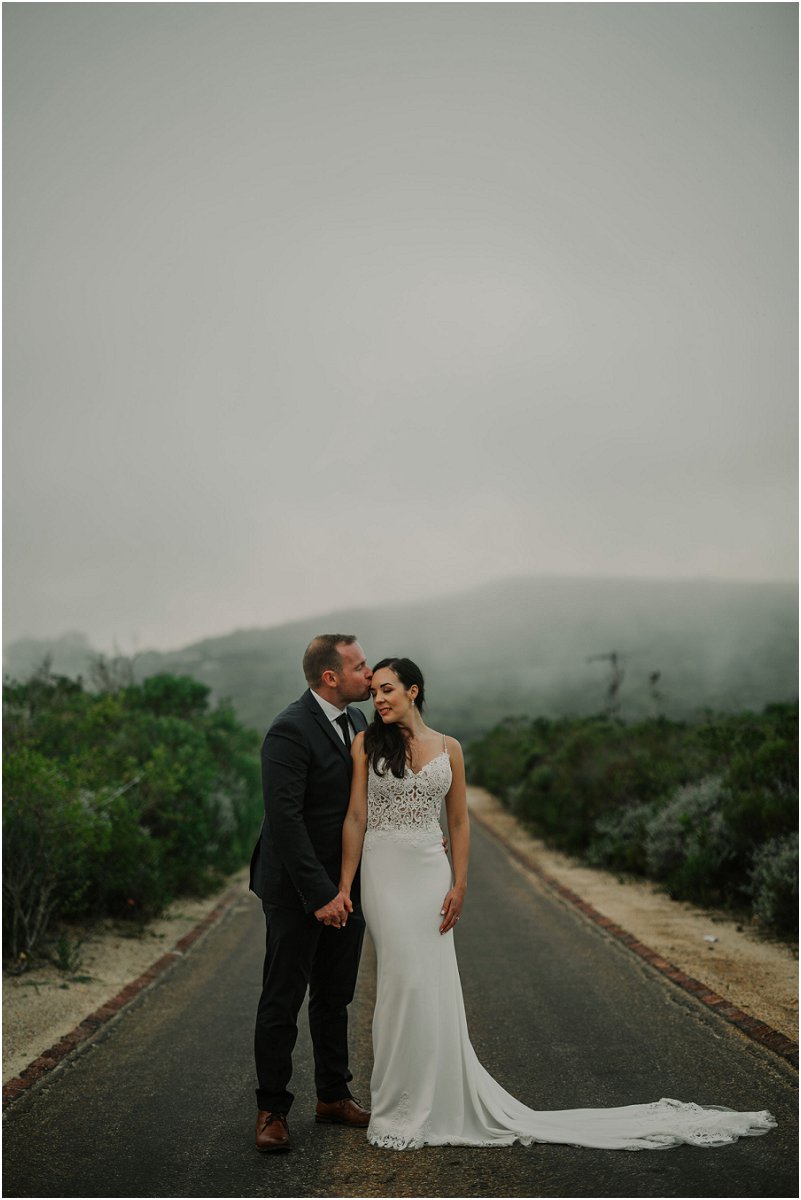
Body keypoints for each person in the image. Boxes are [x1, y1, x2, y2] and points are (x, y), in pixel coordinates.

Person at [338, 656, 777, 1151]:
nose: (378, 699)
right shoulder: (365, 744)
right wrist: (344, 887)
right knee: (402, 979)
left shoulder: (450, 748)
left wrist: (460, 883)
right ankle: (397, 1103)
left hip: (429, 872)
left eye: (388, 689)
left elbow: (458, 823)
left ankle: (435, 1096)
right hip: (384, 872)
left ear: (414, 691)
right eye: (374, 691)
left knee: (432, 980)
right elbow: (356, 817)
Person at [249, 634, 373, 1153]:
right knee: (283, 997)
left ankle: (332, 1095)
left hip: (347, 884)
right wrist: (321, 893)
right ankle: (272, 1109)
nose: (368, 673)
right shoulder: (289, 730)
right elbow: (285, 821)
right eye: (360, 666)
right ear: (331, 677)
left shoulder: (359, 724)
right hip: (296, 888)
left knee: (335, 994)